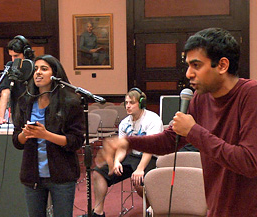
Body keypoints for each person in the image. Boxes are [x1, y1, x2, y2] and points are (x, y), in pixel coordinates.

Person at [102, 28, 257, 217]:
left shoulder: (250, 95)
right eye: (188, 66)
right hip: (217, 207)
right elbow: (170, 140)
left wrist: (193, 130)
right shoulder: (201, 99)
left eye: (196, 65)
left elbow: (249, 162)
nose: (188, 74)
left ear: (223, 65)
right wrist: (129, 142)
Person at [12, 54, 84, 217]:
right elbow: (17, 141)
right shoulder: (24, 102)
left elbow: (76, 141)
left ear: (55, 74)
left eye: (44, 69)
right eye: (36, 69)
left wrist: (45, 135)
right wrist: (25, 133)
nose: (38, 73)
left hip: (62, 173)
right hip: (32, 175)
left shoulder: (70, 102)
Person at [91, 88, 163, 217]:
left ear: (141, 103)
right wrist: (117, 161)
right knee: (98, 173)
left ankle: (155, 207)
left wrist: (140, 169)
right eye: (126, 103)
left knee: (139, 180)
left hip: (151, 156)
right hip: (132, 155)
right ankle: (98, 212)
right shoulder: (125, 123)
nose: (128, 106)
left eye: (132, 103)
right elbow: (122, 148)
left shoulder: (153, 119)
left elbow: (150, 148)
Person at [0, 35, 35, 124]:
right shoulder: (11, 66)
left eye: (16, 56)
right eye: (11, 56)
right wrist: (0, 117)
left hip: (34, 112)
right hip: (18, 113)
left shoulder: (36, 67)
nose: (13, 60)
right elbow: (5, 92)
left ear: (26, 53)